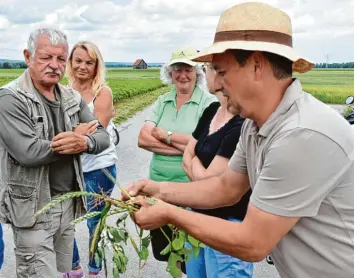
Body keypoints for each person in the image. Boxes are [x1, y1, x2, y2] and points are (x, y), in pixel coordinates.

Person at [124, 3, 354, 278]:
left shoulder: (301, 133)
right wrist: (157, 190)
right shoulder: (254, 125)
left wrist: (170, 214)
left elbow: (253, 242)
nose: (216, 84)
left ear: (257, 65)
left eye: (221, 72)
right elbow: (225, 188)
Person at [0, 28, 110, 278]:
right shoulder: (10, 98)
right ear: (28, 57)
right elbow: (28, 152)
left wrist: (84, 141)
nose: (54, 65)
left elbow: (103, 136)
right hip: (33, 209)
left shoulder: (71, 97)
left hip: (66, 204)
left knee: (62, 271)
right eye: (46, 58)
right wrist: (76, 136)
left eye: (61, 59)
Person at [137, 47, 216, 273]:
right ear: (170, 73)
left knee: (190, 251)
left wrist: (166, 135)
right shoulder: (163, 101)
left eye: (188, 69)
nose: (183, 74)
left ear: (197, 73)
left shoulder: (208, 103)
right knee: (167, 251)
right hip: (158, 188)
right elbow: (143, 139)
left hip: (190, 190)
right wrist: (186, 148)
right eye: (177, 69)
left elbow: (206, 146)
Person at [182, 62, 253, 277]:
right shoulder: (212, 110)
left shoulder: (242, 122)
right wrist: (198, 170)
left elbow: (212, 181)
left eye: (209, 66)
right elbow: (186, 156)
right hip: (197, 217)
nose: (205, 71)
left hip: (227, 225)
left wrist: (194, 162)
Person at [62, 41, 118, 278]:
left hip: (98, 168)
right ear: (70, 63)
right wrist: (78, 132)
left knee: (94, 223)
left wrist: (69, 135)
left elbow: (97, 135)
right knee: (63, 222)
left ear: (97, 66)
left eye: (89, 62)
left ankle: (95, 272)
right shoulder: (62, 90)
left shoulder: (102, 92)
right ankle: (73, 268)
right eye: (78, 61)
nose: (83, 67)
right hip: (69, 168)